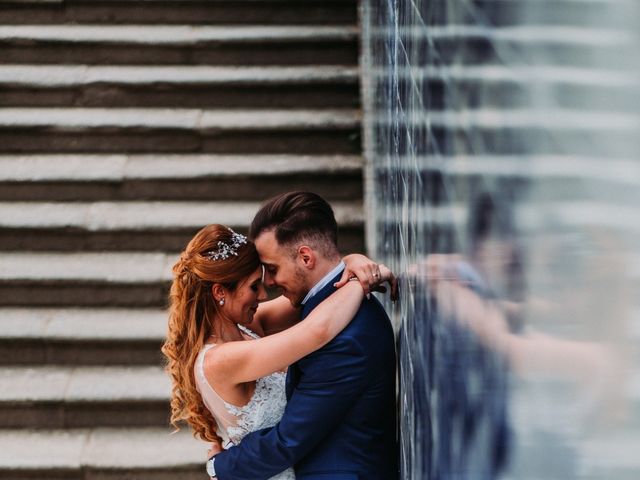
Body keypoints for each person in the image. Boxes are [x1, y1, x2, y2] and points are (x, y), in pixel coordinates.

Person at [202, 192, 399, 479]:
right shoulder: (326, 305)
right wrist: (355, 266)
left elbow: (288, 441)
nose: (268, 284)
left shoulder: (346, 338)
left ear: (306, 257)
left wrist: (218, 466)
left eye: (271, 269)